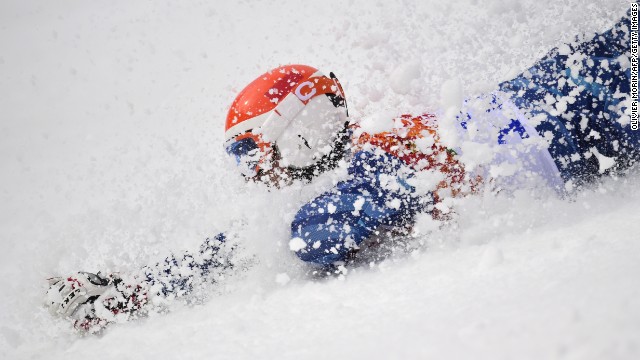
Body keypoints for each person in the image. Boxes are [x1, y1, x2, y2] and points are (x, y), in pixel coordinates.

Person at [45, 12, 638, 333]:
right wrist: (154, 284)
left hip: (581, 113)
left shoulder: (371, 171)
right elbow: (256, 242)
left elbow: (306, 239)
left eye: (255, 153)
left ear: (299, 129)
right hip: (560, 100)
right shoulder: (363, 156)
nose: (257, 177)